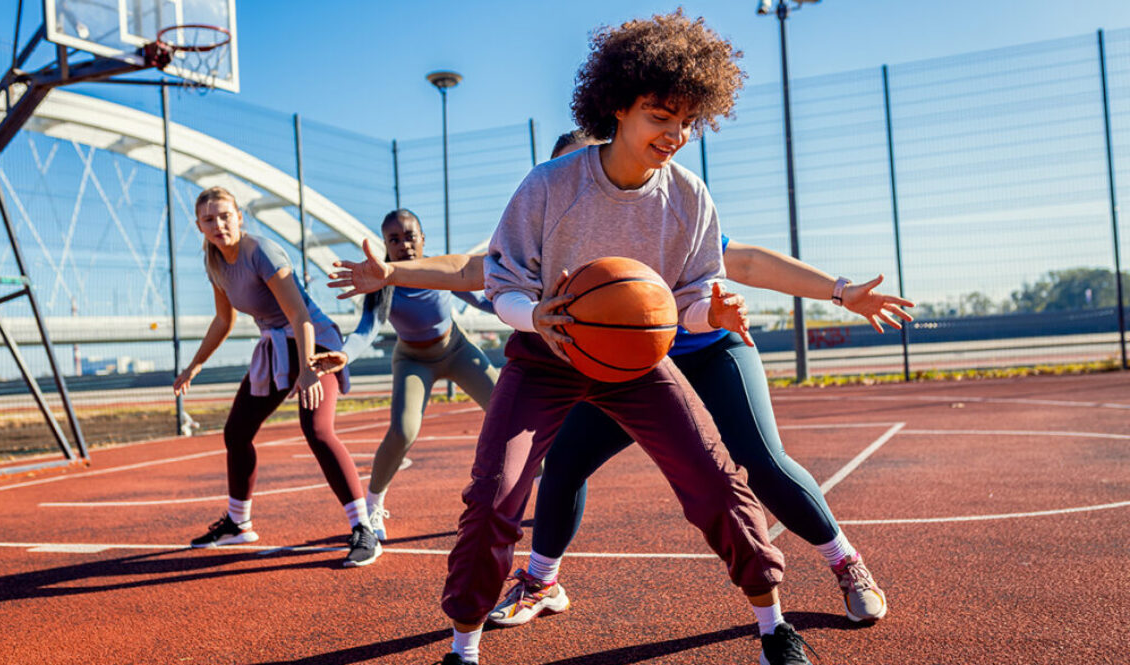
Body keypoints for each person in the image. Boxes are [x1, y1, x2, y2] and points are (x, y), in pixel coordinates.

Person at [348, 11, 815, 664]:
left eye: (685, 119)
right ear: (619, 107)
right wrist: (533, 315)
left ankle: (773, 629)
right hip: (545, 355)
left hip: (638, 357)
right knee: (495, 492)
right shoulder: (549, 186)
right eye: (659, 115)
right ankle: (463, 647)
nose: (675, 133)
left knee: (714, 477)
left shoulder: (690, 199)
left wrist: (715, 314)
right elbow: (500, 279)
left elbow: (684, 304)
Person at [332, 135, 912, 629]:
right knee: (563, 463)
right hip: (622, 366)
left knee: (758, 458)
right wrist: (393, 273)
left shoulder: (663, 209)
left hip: (707, 346)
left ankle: (844, 560)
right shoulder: (552, 217)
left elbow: (750, 263)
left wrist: (841, 291)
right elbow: (470, 268)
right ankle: (542, 580)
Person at [173, 186, 381, 568]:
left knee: (317, 429)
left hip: (315, 345)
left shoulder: (262, 252)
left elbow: (300, 316)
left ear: (239, 216)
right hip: (276, 348)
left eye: (224, 215)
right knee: (236, 432)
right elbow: (224, 320)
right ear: (200, 226)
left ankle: (363, 529)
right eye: (208, 219)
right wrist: (195, 365)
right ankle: (238, 523)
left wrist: (306, 371)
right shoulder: (215, 261)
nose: (218, 224)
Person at [361, 209, 499, 542]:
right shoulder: (381, 283)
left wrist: (530, 307)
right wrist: (343, 355)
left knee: (508, 408)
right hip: (413, 360)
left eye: (410, 236)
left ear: (423, 239)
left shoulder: (440, 270)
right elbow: (366, 330)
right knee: (403, 431)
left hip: (457, 349)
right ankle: (372, 506)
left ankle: (545, 482)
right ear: (386, 245)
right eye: (395, 239)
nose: (404, 244)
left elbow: (483, 302)